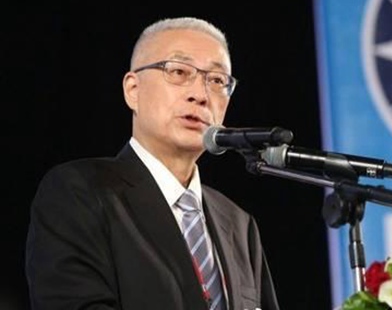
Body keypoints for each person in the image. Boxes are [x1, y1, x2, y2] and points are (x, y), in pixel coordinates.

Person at [25, 17, 280, 310]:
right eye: (179, 72)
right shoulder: (80, 192)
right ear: (133, 90)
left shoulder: (239, 224)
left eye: (217, 81)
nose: (200, 95)